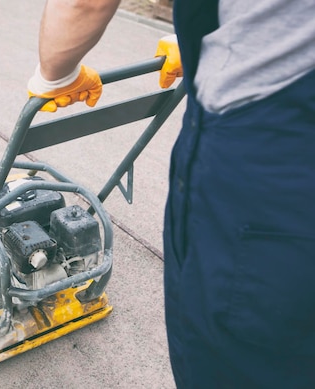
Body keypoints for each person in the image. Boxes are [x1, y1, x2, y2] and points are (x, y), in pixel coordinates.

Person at [28, 0, 315, 387]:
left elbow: (85, 3)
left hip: (270, 163)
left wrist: (54, 76)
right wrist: (204, 41)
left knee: (235, 361)